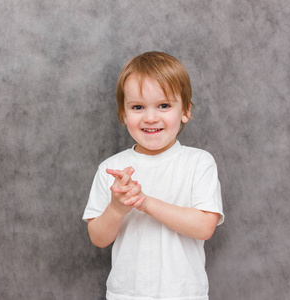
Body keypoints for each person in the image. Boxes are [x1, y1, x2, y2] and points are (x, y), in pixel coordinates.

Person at [83, 51, 224, 300]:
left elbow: (204, 227)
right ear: (124, 114)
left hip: (184, 294)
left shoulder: (198, 163)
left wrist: (145, 202)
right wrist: (117, 207)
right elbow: (98, 238)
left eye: (164, 105)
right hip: (126, 294)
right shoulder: (112, 168)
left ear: (185, 111)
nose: (150, 117)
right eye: (138, 107)